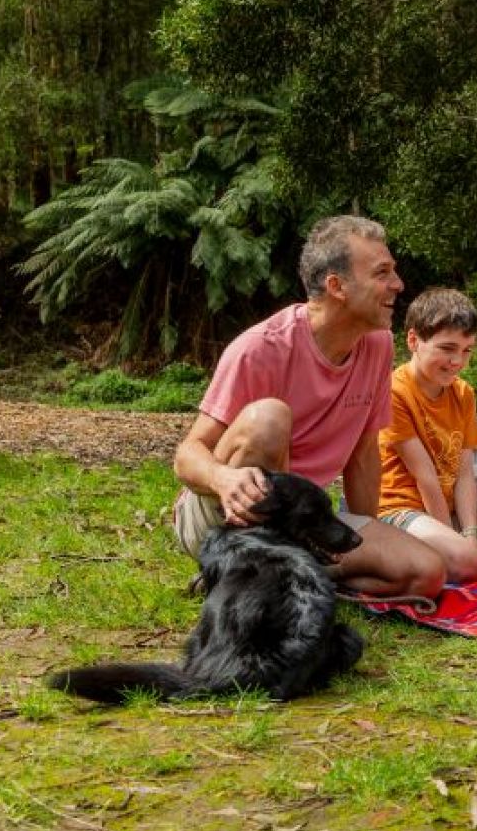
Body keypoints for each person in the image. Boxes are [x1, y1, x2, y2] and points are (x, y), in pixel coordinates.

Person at [170, 215, 445, 600]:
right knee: (268, 418)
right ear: (337, 286)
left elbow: (364, 455)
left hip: (301, 520)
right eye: (383, 273)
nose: (398, 285)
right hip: (218, 514)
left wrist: (371, 528)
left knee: (427, 574)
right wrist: (223, 479)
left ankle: (286, 577)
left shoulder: (378, 345)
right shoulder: (261, 348)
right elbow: (187, 455)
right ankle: (235, 564)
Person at [376, 286, 477, 581]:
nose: (457, 362)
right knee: (464, 562)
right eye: (447, 349)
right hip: (401, 508)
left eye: (466, 351)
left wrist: (471, 535)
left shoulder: (463, 393)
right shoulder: (393, 391)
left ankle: (466, 550)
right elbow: (424, 476)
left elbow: (465, 473)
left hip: (455, 505)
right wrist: (456, 541)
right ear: (414, 340)